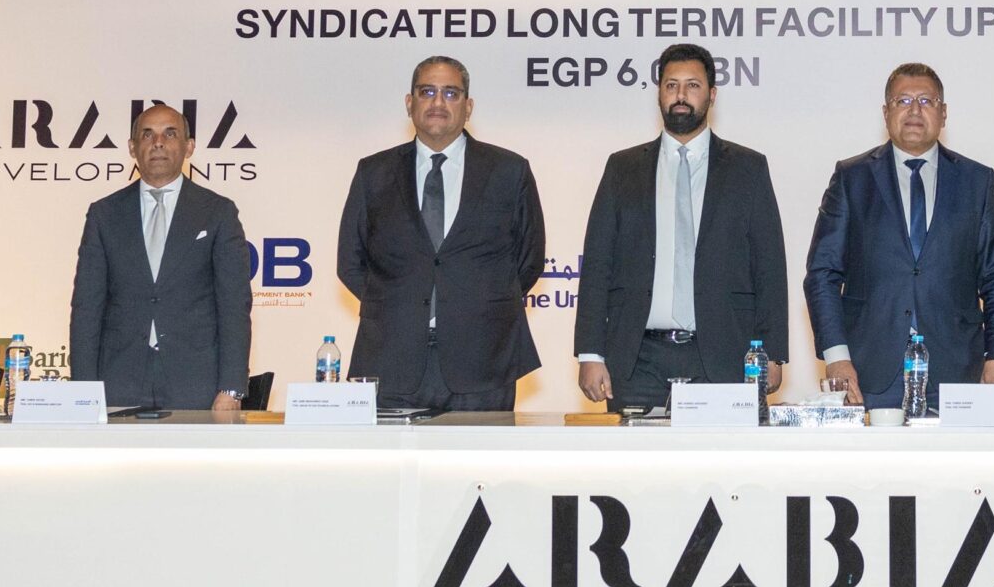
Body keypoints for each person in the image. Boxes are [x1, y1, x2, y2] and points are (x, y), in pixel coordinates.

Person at [575, 42, 789, 410]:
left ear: (712, 95)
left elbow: (768, 265)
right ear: (659, 93)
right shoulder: (622, 168)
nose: (681, 96)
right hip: (637, 361)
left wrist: (773, 351)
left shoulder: (748, 168)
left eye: (693, 86)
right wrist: (590, 354)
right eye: (671, 85)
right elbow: (598, 263)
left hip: (723, 356)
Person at [337, 56, 547, 411]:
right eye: (427, 92)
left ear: (468, 106)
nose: (438, 102)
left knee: (480, 451)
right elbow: (350, 261)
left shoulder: (509, 171)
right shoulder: (373, 172)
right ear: (409, 103)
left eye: (451, 93)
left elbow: (529, 260)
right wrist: (399, 306)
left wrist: (475, 305)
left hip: (484, 360)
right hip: (391, 357)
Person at [804, 63, 994, 407]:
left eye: (926, 101)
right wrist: (837, 357)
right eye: (903, 101)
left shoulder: (976, 181)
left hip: (959, 371)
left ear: (944, 113)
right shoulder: (852, 178)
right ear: (886, 113)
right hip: (867, 372)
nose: (915, 110)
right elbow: (822, 274)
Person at [68, 104, 254, 412]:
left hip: (197, 384)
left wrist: (231, 388)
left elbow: (234, 306)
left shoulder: (218, 212)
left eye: (170, 134)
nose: (158, 143)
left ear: (189, 147)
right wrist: (83, 390)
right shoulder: (104, 214)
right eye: (147, 135)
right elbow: (87, 307)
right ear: (132, 148)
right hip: (118, 382)